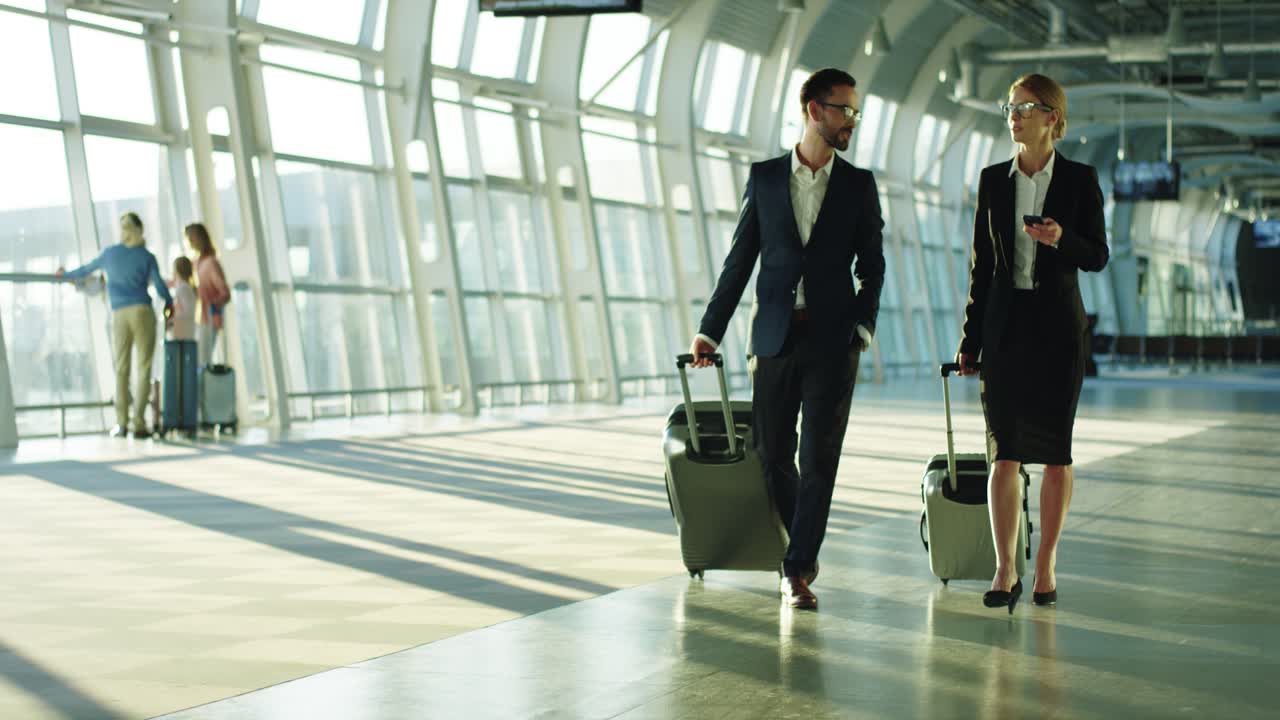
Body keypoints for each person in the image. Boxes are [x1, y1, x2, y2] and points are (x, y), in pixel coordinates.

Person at [688, 68, 885, 610]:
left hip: (832, 340)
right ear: (814, 109)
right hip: (773, 337)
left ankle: (797, 568)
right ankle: (797, 548)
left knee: (819, 455)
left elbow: (872, 265)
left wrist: (861, 328)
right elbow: (740, 259)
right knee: (771, 453)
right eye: (844, 110)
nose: (852, 121)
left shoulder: (858, 185)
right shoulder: (767, 178)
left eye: (854, 111)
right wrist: (711, 329)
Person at [955, 73, 1109, 612]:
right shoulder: (994, 180)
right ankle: (1005, 570)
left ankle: (1045, 566)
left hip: (1057, 332)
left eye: (1025, 107)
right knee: (1004, 454)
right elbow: (982, 266)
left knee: (1055, 454)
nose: (1014, 115)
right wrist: (970, 340)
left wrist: (1062, 238)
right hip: (1005, 328)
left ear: (1053, 118)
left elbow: (1098, 255)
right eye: (1010, 106)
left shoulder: (1079, 180)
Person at [57, 212, 173, 438]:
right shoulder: (146, 256)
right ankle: (139, 423)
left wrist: (65, 275)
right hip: (143, 311)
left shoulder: (110, 254)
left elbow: (85, 270)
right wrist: (170, 302)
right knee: (144, 367)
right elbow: (158, 284)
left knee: (121, 368)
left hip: (119, 313)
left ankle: (121, 423)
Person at [184, 223, 231, 367]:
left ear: (201, 239)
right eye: (189, 240)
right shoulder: (196, 263)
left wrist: (211, 302)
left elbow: (225, 293)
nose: (191, 243)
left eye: (193, 239)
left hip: (209, 318)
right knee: (196, 359)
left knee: (202, 360)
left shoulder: (211, 263)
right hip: (198, 319)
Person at [168, 256, 197, 342]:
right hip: (183, 326)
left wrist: (173, 320)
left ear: (177, 270)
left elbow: (188, 311)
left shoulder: (183, 288)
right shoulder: (184, 286)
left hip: (182, 328)